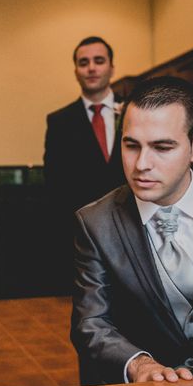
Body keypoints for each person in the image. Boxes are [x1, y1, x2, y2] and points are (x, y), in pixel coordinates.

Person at [71, 76, 193, 386]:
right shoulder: (95, 222)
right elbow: (91, 322)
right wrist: (138, 365)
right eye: (131, 145)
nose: (141, 164)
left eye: (162, 147)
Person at [43, 36, 125, 294]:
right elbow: (55, 183)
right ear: (76, 71)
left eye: (99, 61)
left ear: (111, 67)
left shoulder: (136, 110)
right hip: (84, 233)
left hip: (132, 223)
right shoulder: (59, 121)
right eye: (84, 62)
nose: (91, 68)